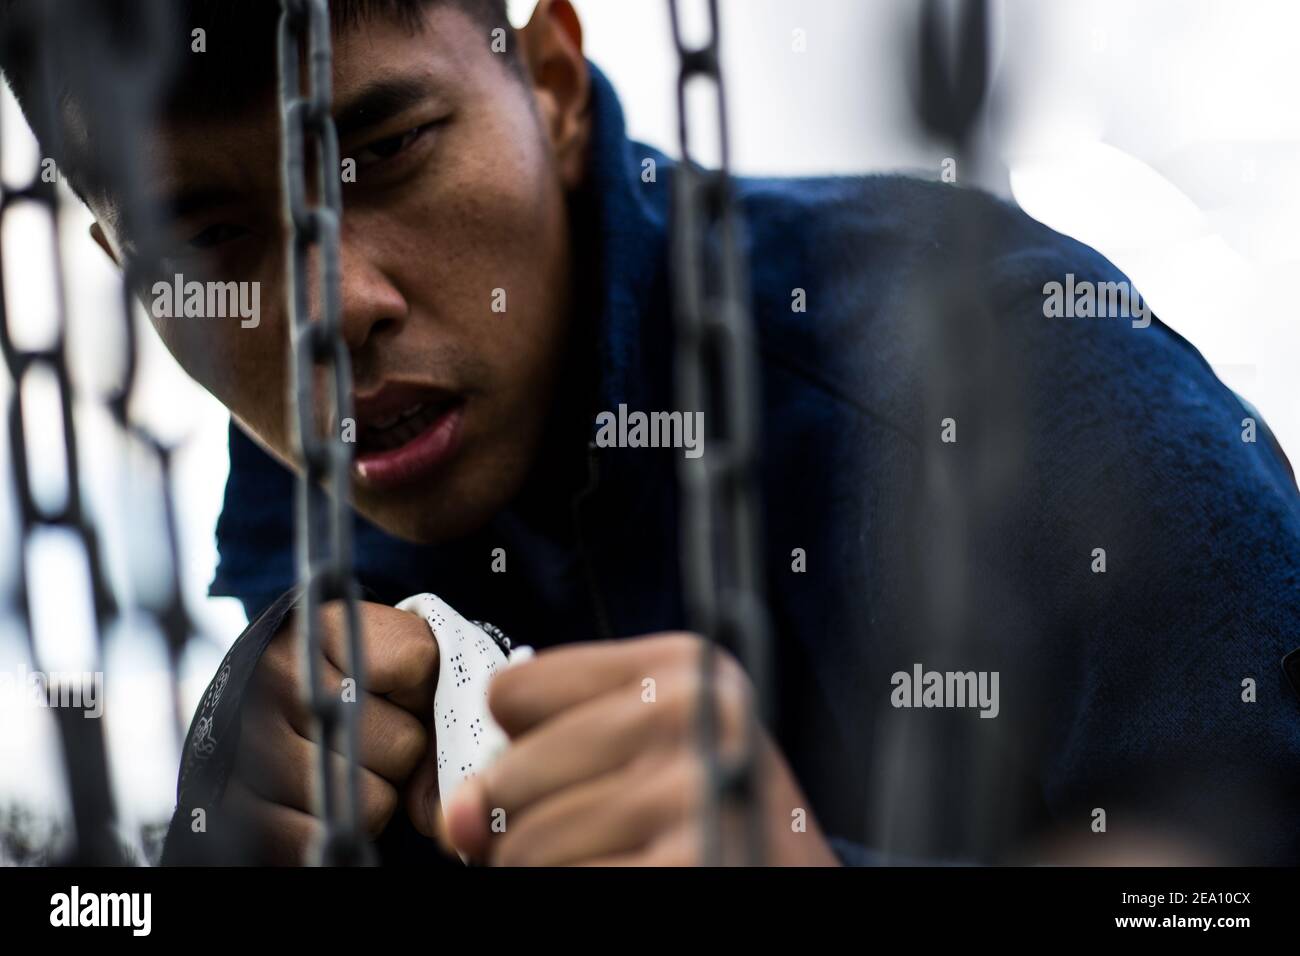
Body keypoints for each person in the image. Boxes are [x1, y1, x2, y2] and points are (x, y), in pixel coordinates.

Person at [3, 0, 1297, 866]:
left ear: (553, 81)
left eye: (386, 151)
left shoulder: (1031, 385)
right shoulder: (303, 504)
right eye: (210, 238)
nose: (330, 312)